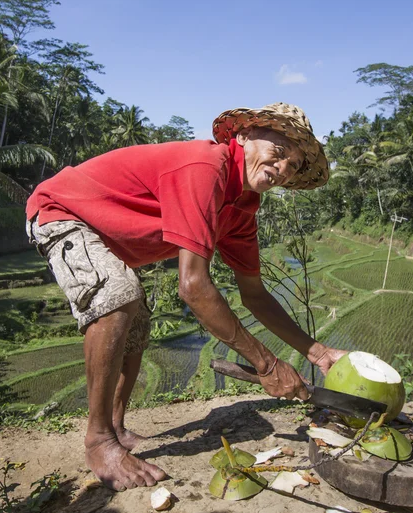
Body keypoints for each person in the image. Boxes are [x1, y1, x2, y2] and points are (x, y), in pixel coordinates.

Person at [25, 102, 345, 491]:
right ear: (242, 136)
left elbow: (255, 295)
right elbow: (193, 286)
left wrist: (320, 353)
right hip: (62, 211)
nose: (281, 169)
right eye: (278, 153)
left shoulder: (242, 208)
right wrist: (266, 365)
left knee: (136, 324)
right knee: (120, 297)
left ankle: (117, 427)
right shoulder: (206, 167)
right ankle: (99, 440)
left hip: (109, 241)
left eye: (293, 166)